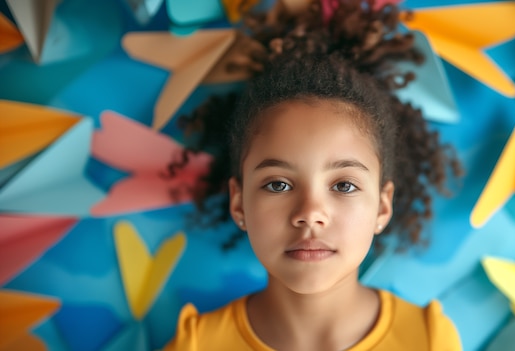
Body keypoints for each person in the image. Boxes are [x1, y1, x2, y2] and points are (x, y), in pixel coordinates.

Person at [165, 0, 463, 349]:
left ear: (382, 208)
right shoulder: (197, 345)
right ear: (239, 203)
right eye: (278, 184)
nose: (310, 213)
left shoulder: (428, 341)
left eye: (344, 185)